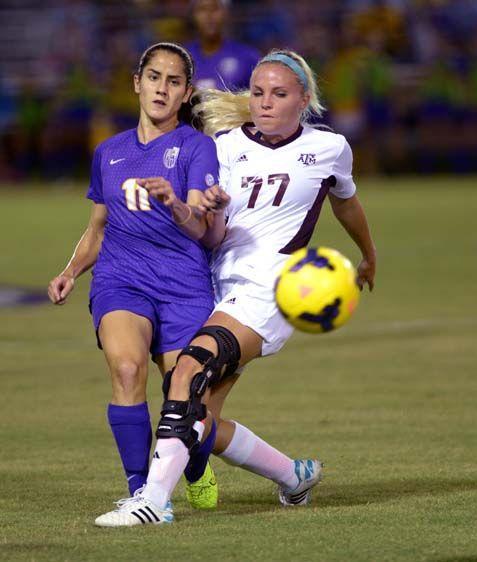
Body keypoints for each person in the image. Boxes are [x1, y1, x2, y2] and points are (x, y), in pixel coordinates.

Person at [94, 48, 377, 526]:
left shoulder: (329, 148)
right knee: (198, 422)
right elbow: (210, 225)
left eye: (280, 94)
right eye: (259, 93)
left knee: (187, 371)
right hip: (214, 284)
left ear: (304, 99)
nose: (266, 103)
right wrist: (208, 205)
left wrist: (368, 254)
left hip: (269, 292)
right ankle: (294, 474)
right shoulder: (224, 145)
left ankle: (152, 503)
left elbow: (346, 201)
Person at [47, 42, 226, 508]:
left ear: (187, 93)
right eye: (153, 77)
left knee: (184, 402)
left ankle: (197, 466)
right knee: (126, 369)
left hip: (182, 286)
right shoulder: (108, 152)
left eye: (172, 81)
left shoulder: (197, 147)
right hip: (121, 279)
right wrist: (70, 271)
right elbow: (98, 228)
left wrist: (175, 203)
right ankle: (142, 491)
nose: (161, 88)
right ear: (137, 83)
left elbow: (204, 231)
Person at [185, 0, 260, 91]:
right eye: (202, 9)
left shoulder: (248, 57)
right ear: (193, 15)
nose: (209, 15)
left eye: (215, 8)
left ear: (226, 13)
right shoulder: (182, 57)